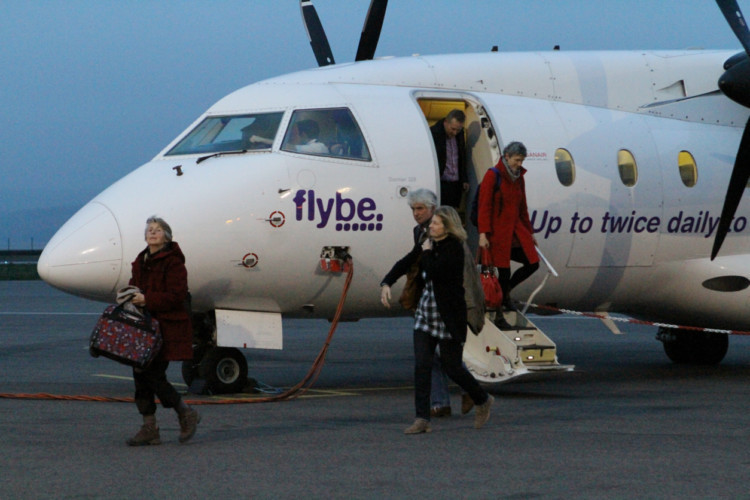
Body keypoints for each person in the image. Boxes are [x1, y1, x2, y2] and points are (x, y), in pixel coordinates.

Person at [400, 206, 494, 434]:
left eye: (435, 223)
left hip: (448, 317)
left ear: (446, 227)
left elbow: (434, 271)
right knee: (422, 365)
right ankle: (422, 418)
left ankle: (482, 399)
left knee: (452, 367)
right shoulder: (428, 246)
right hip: (426, 315)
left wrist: (426, 252)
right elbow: (407, 262)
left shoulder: (454, 249)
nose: (430, 226)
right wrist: (386, 281)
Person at [380, 189, 460, 418]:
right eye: (413, 209)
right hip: (427, 303)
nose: (416, 214)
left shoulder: (447, 234)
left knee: (449, 359)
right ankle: (440, 403)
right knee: (428, 356)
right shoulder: (420, 232)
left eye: (420, 209)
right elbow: (411, 258)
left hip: (446, 304)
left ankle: (473, 393)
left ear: (433, 209)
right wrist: (387, 280)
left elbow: (439, 267)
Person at [125, 216, 200, 446]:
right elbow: (134, 284)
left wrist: (147, 299)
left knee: (153, 374)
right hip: (144, 327)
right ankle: (150, 427)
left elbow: (177, 296)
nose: (152, 233)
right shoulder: (141, 261)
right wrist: (129, 295)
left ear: (166, 236)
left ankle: (185, 412)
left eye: (157, 230)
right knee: (140, 373)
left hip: (166, 327)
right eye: (149, 229)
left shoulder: (174, 263)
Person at [477, 141, 540, 317]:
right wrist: (483, 233)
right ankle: (501, 309)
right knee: (503, 271)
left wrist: (530, 232)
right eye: (517, 160)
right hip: (497, 232)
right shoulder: (493, 175)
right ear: (507, 157)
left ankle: (506, 293)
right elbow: (485, 206)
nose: (519, 164)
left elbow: (523, 207)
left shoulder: (519, 177)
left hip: (515, 231)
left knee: (532, 263)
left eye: (522, 161)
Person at [430, 109, 468, 208]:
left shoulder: (459, 135)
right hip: (441, 183)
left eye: (458, 130)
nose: (455, 133)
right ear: (446, 122)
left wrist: (464, 178)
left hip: (455, 185)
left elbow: (462, 157)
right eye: (453, 129)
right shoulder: (434, 134)